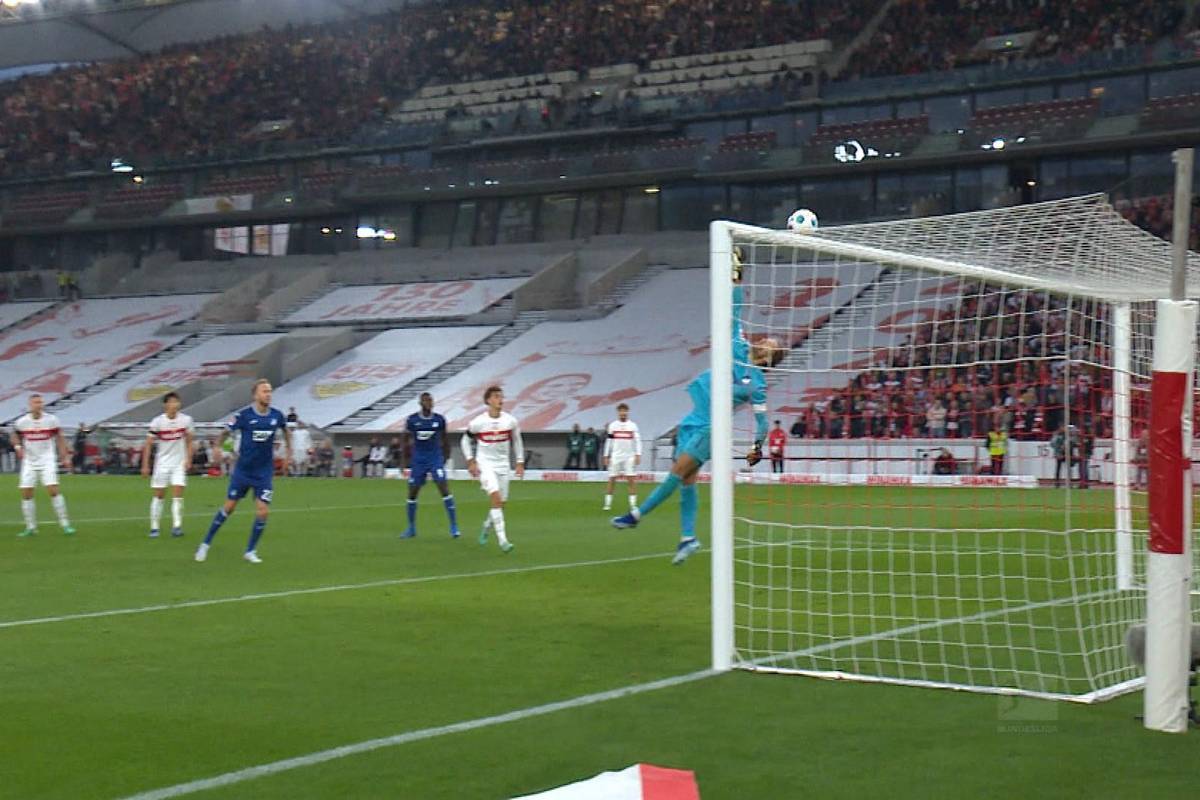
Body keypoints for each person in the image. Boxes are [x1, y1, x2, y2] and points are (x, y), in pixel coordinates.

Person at [612, 255, 782, 565]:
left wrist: (758, 446)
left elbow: (762, 420)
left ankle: (637, 514)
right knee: (687, 482)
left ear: (770, 359)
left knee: (677, 473)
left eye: (772, 343)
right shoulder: (739, 346)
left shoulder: (756, 383)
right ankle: (688, 538)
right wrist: (736, 279)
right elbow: (735, 311)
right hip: (694, 420)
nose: (766, 340)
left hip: (712, 428)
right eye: (768, 338)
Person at [195, 379, 291, 564]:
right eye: (264, 391)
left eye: (270, 391)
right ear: (255, 395)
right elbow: (225, 432)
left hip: (263, 472)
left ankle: (250, 551)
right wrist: (217, 447)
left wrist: (289, 452)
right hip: (243, 471)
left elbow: (286, 431)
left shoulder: (277, 416)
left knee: (263, 512)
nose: (268, 394)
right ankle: (205, 544)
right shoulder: (244, 416)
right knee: (229, 508)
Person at [461, 385, 524, 553]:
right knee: (495, 499)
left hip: (503, 465)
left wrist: (519, 462)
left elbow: (517, 441)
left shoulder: (510, 421)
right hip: (485, 465)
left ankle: (487, 526)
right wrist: (471, 461)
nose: (500, 400)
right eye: (496, 396)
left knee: (501, 504)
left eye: (501, 396)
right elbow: (464, 440)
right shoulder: (478, 422)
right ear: (488, 400)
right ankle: (503, 541)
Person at [13, 393, 75, 537]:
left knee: (53, 490)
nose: (39, 405)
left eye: (40, 402)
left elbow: (60, 438)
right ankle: (31, 527)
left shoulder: (51, 420)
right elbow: (15, 435)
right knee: (26, 493)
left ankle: (65, 524)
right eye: (36, 402)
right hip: (29, 460)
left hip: (47, 459)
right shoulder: (22, 422)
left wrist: (64, 456)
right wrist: (18, 447)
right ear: (30, 405)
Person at [400, 392, 460, 539]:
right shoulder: (412, 420)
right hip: (419, 459)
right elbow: (405, 440)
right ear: (420, 403)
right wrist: (403, 461)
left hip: (434, 457)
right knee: (413, 492)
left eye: (430, 400)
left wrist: (445, 457)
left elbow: (445, 440)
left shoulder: (439, 420)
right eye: (425, 400)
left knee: (443, 486)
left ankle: (454, 526)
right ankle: (411, 528)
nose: (429, 402)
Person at [141, 392, 194, 538]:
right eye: (171, 402)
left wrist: (189, 459)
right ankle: (154, 527)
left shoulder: (186, 420)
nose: (174, 405)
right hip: (162, 463)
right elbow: (148, 444)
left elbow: (190, 441)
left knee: (178, 495)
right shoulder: (157, 422)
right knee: (159, 496)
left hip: (179, 463)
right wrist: (145, 465)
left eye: (176, 402)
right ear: (165, 405)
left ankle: (177, 526)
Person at [602, 402, 642, 511]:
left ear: (627, 412)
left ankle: (633, 505)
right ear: (618, 412)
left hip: (629, 456)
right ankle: (607, 504)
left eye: (625, 411)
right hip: (616, 456)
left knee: (631, 479)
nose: (623, 413)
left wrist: (638, 454)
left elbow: (637, 441)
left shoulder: (633, 426)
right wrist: (606, 455)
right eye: (621, 411)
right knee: (612, 479)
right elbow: (609, 441)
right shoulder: (613, 426)